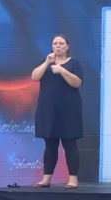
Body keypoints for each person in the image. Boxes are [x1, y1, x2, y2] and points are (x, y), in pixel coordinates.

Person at [31, 34, 83, 189]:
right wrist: (47, 62)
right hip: (48, 110)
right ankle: (46, 179)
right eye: (55, 43)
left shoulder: (74, 63)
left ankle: (73, 179)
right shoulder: (45, 62)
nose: (58, 46)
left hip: (69, 110)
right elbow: (34, 77)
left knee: (69, 144)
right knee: (50, 145)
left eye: (61, 43)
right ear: (52, 46)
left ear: (67, 46)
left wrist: (61, 70)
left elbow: (77, 83)